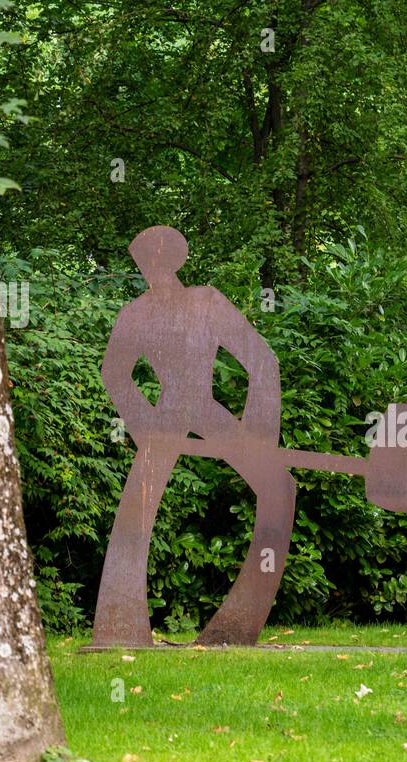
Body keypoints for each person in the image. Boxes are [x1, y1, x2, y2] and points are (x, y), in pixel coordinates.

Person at [91, 226, 295, 648]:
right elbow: (114, 373)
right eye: (147, 263)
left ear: (175, 262)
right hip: (166, 419)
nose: (154, 270)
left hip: (202, 412)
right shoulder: (136, 313)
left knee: (278, 485)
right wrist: (145, 427)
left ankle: (233, 628)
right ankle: (119, 627)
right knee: (137, 510)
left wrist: (260, 435)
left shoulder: (205, 301)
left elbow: (261, 359)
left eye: (159, 261)